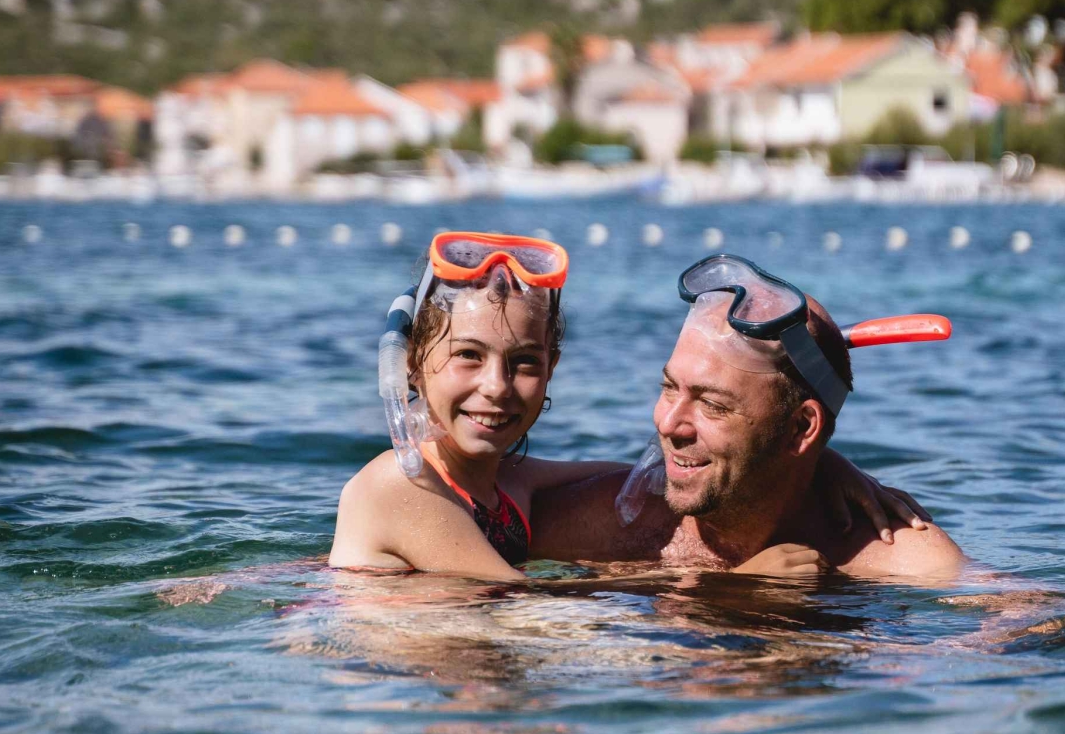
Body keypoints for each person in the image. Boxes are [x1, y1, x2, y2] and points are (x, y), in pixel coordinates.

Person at [329, 233, 932, 579]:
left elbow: (645, 475)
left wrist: (821, 464)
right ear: (411, 364)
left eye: (524, 363)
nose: (496, 386)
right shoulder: (403, 487)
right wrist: (743, 586)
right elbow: (518, 611)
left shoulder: (507, 483)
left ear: (551, 369)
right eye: (467, 355)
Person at [529, 253, 968, 581]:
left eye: (712, 405)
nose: (668, 423)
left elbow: (1002, 625)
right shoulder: (597, 525)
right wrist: (737, 588)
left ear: (801, 428)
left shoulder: (897, 561)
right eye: (669, 388)